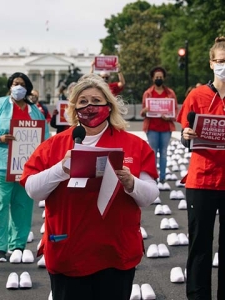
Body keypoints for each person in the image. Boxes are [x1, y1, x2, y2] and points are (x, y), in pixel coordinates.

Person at [20, 73, 159, 300]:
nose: (90, 107)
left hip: (116, 252)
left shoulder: (134, 145)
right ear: (73, 108)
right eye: (83, 101)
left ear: (109, 106)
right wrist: (61, 169)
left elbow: (149, 195)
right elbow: (33, 190)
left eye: (96, 101)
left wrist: (131, 182)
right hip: (69, 251)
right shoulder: (54, 145)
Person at [177, 36, 225, 300]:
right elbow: (185, 130)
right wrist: (186, 134)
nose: (224, 65)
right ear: (211, 64)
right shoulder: (196, 95)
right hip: (201, 181)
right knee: (199, 245)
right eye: (220, 61)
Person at [0, 72, 50, 262]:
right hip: (2, 163)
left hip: (26, 166)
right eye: (15, 83)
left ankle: (17, 245)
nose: (18, 87)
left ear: (27, 88)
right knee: (2, 203)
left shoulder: (35, 111)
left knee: (23, 205)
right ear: (10, 86)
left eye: (22, 84)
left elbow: (46, 136)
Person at [140, 66, 178, 184]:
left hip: (166, 128)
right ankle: (153, 176)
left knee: (164, 153)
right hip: (152, 128)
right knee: (153, 153)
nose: (159, 79)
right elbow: (142, 113)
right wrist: (145, 111)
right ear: (153, 79)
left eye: (161, 77)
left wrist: (170, 116)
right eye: (157, 77)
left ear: (164, 78)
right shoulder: (148, 93)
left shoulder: (170, 93)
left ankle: (162, 177)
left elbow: (176, 111)